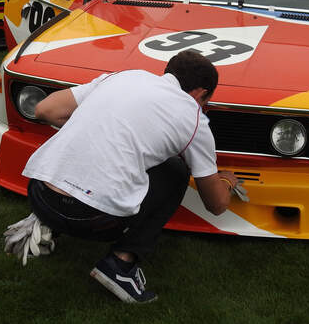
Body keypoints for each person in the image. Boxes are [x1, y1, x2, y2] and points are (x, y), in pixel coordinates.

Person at [22, 50, 240, 303]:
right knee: (175, 171)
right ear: (200, 94)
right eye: (206, 102)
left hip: (40, 195)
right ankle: (120, 265)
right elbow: (216, 205)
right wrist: (226, 181)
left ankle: (48, 222)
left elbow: (45, 109)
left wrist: (97, 130)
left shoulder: (123, 77)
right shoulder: (194, 118)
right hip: (93, 219)